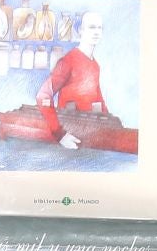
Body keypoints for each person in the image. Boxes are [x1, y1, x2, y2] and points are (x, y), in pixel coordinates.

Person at [33, 10, 109, 148]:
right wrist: (59, 134)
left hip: (89, 135)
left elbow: (98, 101)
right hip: (69, 135)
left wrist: (109, 123)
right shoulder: (67, 61)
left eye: (100, 28)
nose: (97, 32)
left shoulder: (95, 65)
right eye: (92, 27)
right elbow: (43, 95)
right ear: (81, 30)